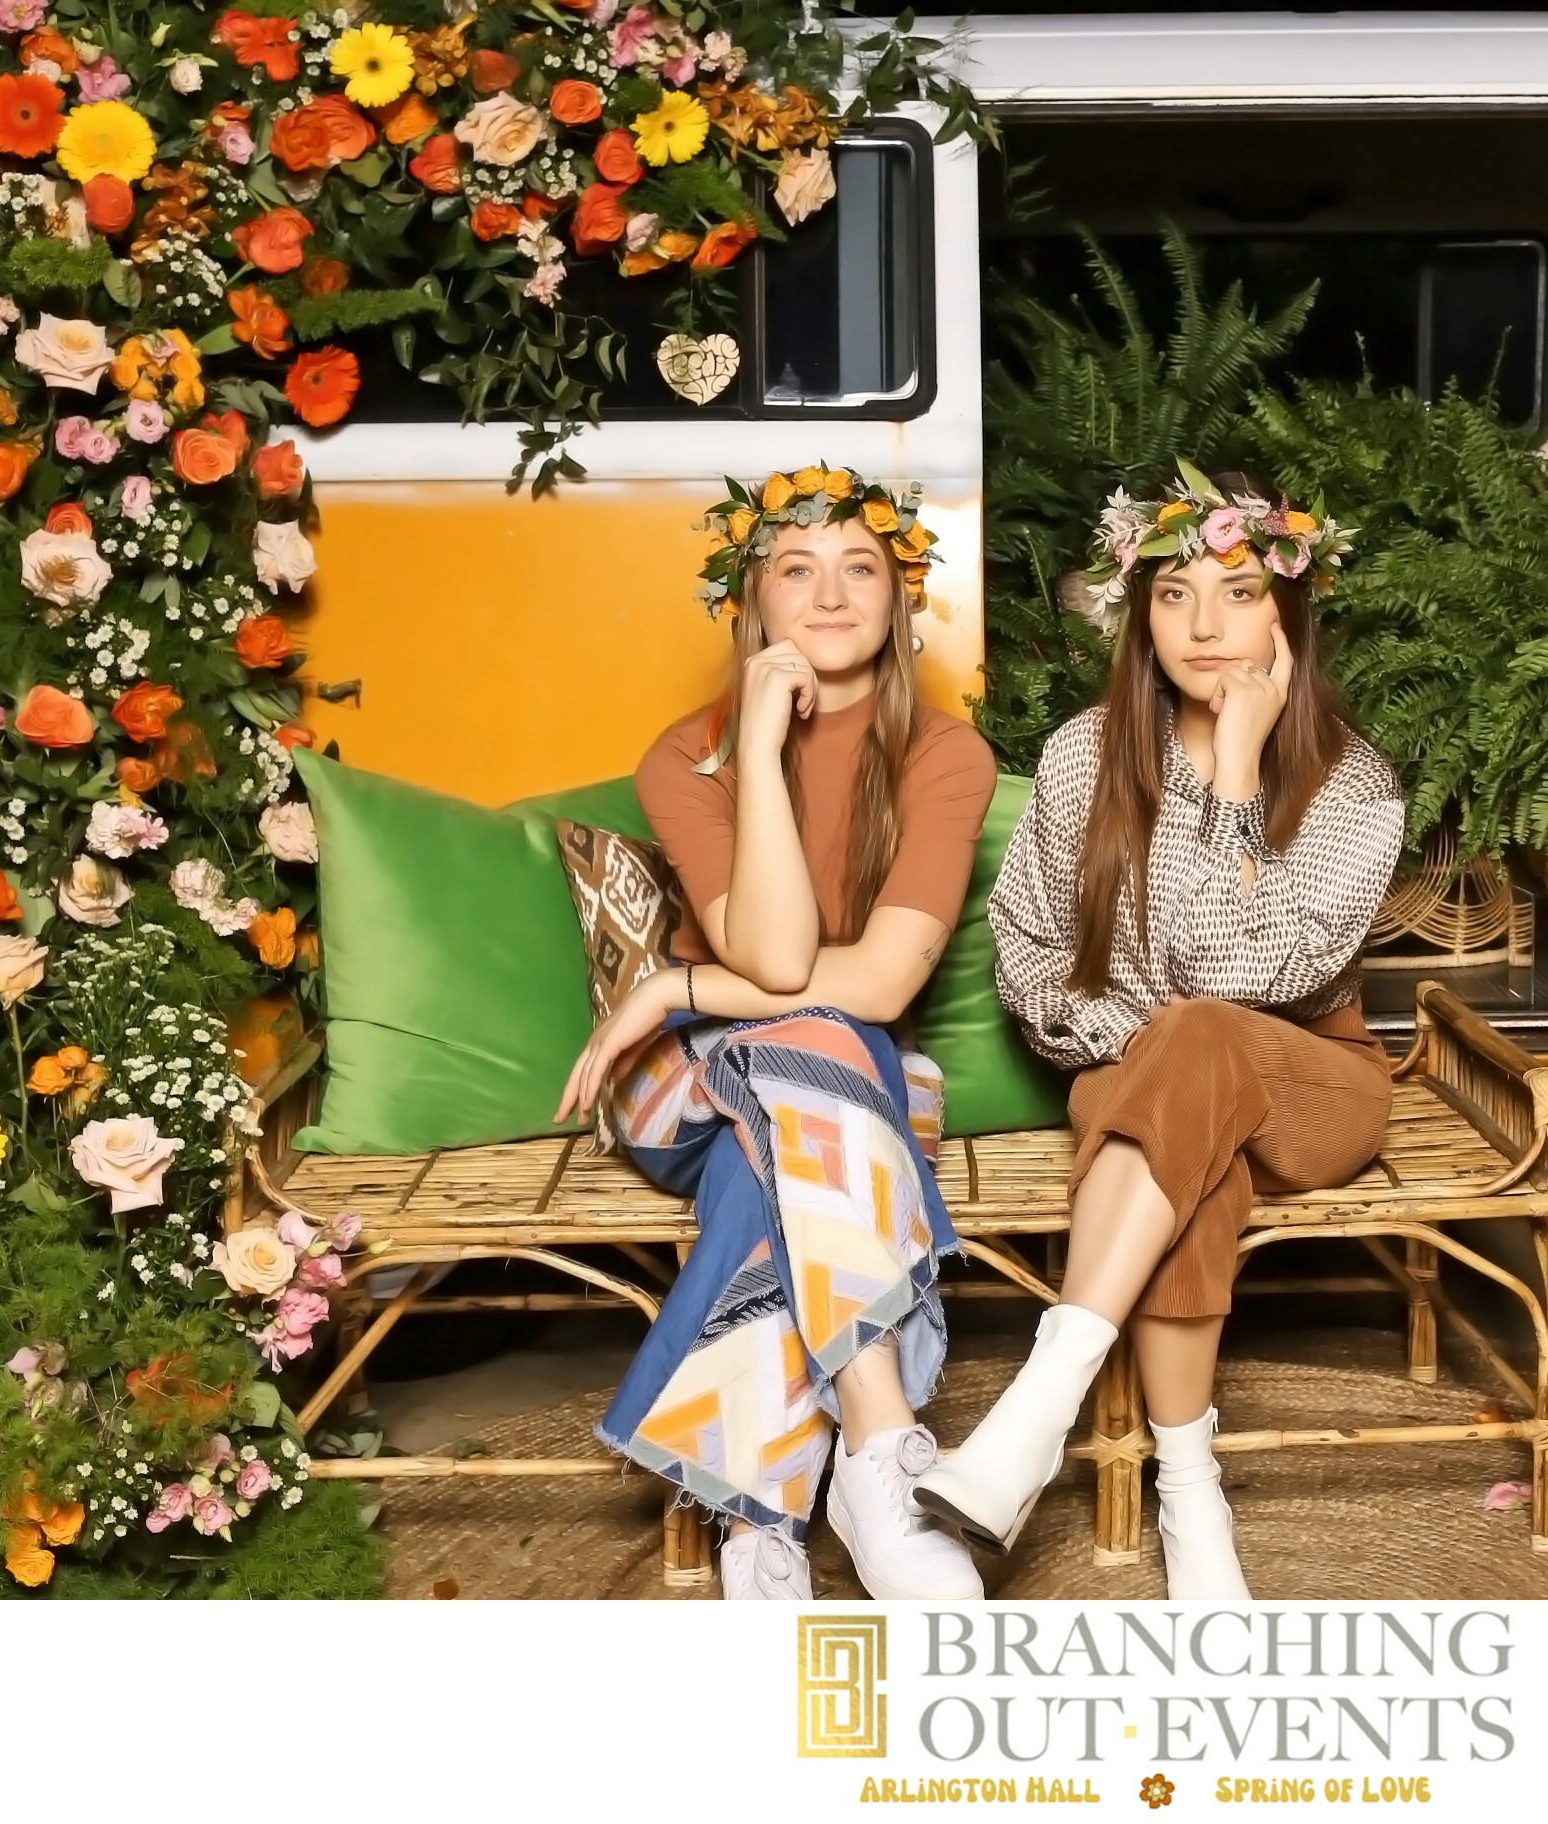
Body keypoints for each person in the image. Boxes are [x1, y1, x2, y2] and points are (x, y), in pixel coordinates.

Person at [912, 463, 1402, 1598]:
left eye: (1238, 594)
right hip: (1132, 1074)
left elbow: (1237, 978)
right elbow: (1029, 947)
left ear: (1288, 615)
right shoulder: (1084, 756)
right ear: (1140, 613)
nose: (1204, 627)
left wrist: (1235, 779)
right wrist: (1143, 1036)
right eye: (1175, 595)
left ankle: (1037, 1406)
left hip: (1311, 1080)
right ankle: (1192, 1499)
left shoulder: (1351, 783)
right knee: (1190, 1134)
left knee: (1203, 1034)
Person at [557, 465, 996, 1601]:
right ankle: (881, 1444)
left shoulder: (947, 755)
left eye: (861, 569)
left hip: (829, 1085)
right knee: (820, 1043)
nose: (831, 595)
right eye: (796, 569)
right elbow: (783, 958)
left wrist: (675, 986)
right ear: (751, 599)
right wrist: (755, 748)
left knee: (788, 1126)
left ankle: (761, 1516)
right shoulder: (684, 756)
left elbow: (878, 982)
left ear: (901, 596)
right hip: (679, 1092)